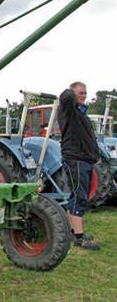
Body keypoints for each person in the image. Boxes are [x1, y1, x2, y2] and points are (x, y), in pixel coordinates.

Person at [57, 81, 100, 250]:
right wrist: (72, 94)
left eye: (85, 93)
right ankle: (80, 239)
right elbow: (65, 96)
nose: (84, 96)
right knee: (79, 197)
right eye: (80, 93)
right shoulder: (68, 109)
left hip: (85, 160)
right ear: (73, 94)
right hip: (76, 160)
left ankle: (74, 231)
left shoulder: (80, 113)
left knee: (75, 197)